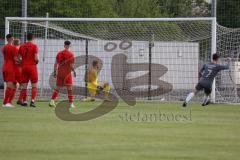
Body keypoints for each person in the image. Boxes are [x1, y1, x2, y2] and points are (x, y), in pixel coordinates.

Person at [49, 41, 76, 108]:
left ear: (64, 45)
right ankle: (71, 103)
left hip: (60, 73)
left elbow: (55, 64)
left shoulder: (59, 53)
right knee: (69, 89)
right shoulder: (71, 54)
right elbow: (71, 66)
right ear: (70, 46)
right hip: (67, 74)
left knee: (57, 88)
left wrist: (55, 72)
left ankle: (52, 101)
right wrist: (74, 71)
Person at [18, 33, 39, 107]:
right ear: (33, 38)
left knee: (24, 86)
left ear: (27, 38)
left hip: (24, 67)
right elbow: (36, 58)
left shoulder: (22, 46)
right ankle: (32, 101)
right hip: (32, 67)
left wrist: (22, 62)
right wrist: (37, 61)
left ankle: (24, 101)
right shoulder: (34, 46)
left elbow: (19, 58)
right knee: (34, 85)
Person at [2, 34, 18, 107]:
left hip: (5, 67)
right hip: (11, 68)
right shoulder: (13, 48)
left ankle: (9, 102)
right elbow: (16, 59)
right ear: (11, 38)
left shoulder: (4, 47)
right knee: (10, 85)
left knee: (14, 85)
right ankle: (5, 103)